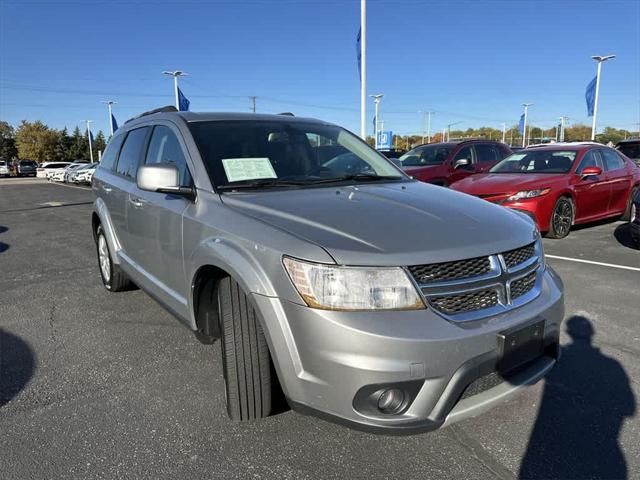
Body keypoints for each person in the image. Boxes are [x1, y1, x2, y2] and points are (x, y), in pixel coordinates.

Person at [519, 316, 635, 479]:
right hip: (609, 449)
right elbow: (629, 408)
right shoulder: (613, 365)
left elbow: (629, 408)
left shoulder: (607, 364)